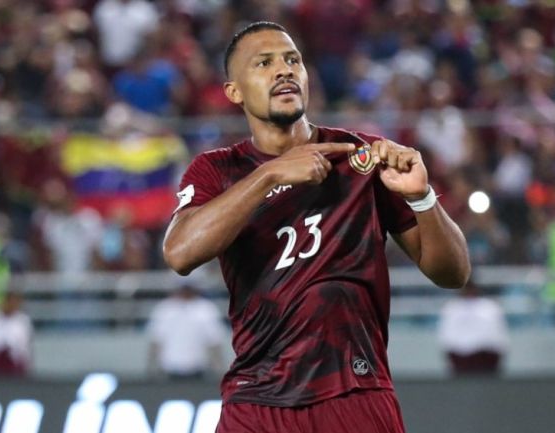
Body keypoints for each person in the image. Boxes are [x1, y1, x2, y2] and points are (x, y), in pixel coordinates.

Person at [162, 21, 470, 433]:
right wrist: (270, 175)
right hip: (257, 399)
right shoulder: (218, 170)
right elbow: (180, 253)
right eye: (264, 63)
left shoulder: (362, 160)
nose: (284, 70)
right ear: (234, 91)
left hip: (356, 392)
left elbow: (454, 273)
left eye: (293, 60)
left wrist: (422, 196)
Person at [146, 280, 227, 379]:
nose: (185, 292)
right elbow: (156, 342)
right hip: (170, 369)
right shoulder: (164, 309)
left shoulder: (206, 308)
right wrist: (151, 370)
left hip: (198, 369)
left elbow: (214, 343)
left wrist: (220, 371)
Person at [437, 280, 509, 375]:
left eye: (470, 289)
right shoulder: (451, 308)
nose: (469, 292)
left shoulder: (490, 307)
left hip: (486, 356)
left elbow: (499, 335)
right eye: (466, 289)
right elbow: (446, 337)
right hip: (460, 357)